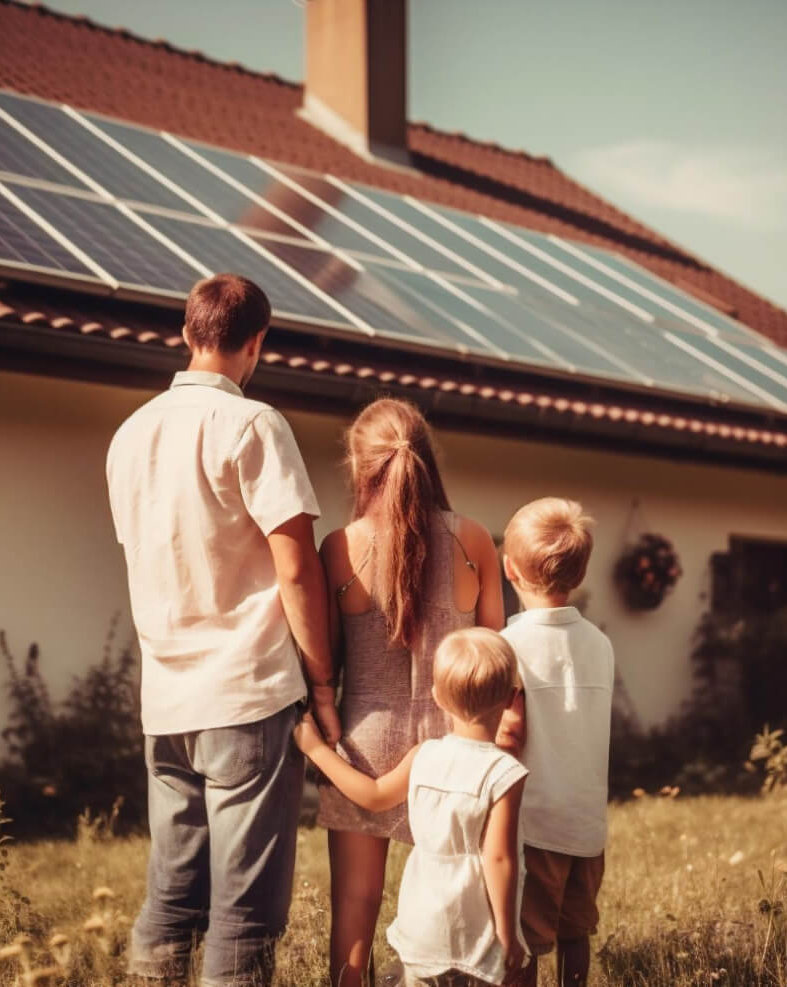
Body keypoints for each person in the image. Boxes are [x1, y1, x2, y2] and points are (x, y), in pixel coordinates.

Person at [106, 273, 339, 987]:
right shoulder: (253, 425)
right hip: (247, 695)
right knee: (244, 914)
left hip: (167, 701)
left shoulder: (129, 433)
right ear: (257, 343)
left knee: (171, 900)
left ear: (187, 333)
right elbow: (296, 566)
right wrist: (322, 684)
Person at [317, 398, 505, 986]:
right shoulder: (472, 538)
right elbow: (496, 653)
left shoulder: (338, 548)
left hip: (365, 746)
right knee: (464, 902)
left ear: (357, 464)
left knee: (355, 907)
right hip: (458, 742)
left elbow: (329, 656)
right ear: (426, 457)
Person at [295, 627, 529, 987]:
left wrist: (316, 751)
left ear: (437, 696)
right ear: (512, 697)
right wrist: (507, 933)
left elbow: (372, 795)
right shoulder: (505, 773)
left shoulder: (425, 755)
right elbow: (499, 859)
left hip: (423, 928)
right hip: (476, 937)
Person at [500, 498, 614, 987]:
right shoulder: (600, 643)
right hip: (588, 823)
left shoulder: (508, 644)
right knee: (574, 935)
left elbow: (506, 732)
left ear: (510, 570)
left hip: (535, 824)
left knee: (524, 941)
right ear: (581, 574)